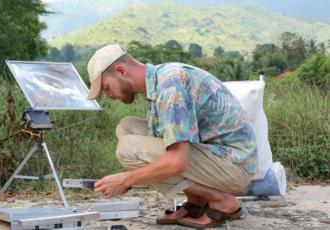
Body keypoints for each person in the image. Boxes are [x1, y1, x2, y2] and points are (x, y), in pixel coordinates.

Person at [87, 44, 257, 228]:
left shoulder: (171, 87)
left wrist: (126, 180)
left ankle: (222, 201)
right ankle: (196, 202)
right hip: (214, 155)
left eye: (106, 88)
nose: (109, 95)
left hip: (234, 166)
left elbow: (177, 161)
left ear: (121, 71)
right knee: (127, 127)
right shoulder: (159, 80)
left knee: (129, 150)